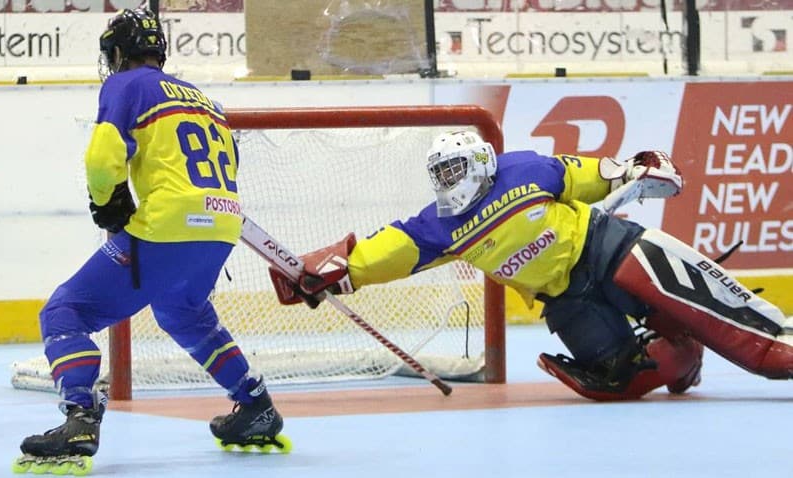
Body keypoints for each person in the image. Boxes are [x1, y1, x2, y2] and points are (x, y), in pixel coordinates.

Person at [269, 130, 792, 401]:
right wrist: (333, 271)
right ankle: (683, 353)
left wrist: (638, 167)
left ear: (477, 163)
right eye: (440, 172)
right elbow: (384, 251)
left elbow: (590, 175)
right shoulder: (438, 226)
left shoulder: (522, 167)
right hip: (566, 300)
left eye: (454, 168)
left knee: (752, 340)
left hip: (609, 248)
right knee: (619, 379)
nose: (448, 180)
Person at [14, 8, 289, 474]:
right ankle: (256, 405)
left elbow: (104, 155)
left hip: (168, 224)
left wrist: (107, 200)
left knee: (66, 310)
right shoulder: (204, 99)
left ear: (118, 52)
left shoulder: (125, 85)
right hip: (224, 223)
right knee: (182, 312)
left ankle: (79, 416)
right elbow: (230, 163)